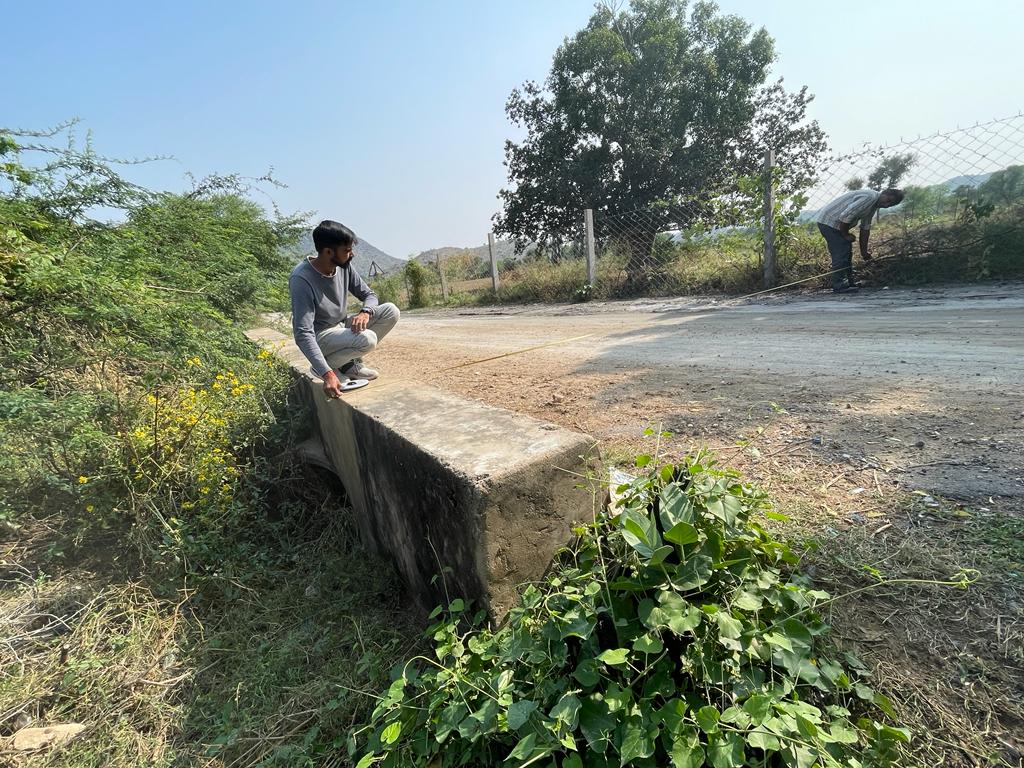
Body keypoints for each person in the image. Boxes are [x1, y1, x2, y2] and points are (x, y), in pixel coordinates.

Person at [289, 220, 400, 399]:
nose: (352, 254)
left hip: (341, 328)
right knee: (367, 339)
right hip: (321, 336)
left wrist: (366, 312)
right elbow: (303, 333)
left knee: (391, 311)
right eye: (347, 250)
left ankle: (348, 366)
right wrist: (326, 374)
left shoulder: (344, 266)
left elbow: (369, 295)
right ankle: (326, 367)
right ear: (328, 252)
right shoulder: (302, 278)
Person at [815, 188, 904, 292]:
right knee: (841, 251)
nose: (886, 205)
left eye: (890, 205)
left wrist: (864, 253)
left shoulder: (873, 205)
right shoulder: (869, 197)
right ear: (884, 193)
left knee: (847, 253)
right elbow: (845, 215)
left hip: (836, 225)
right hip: (829, 222)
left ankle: (849, 282)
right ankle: (839, 285)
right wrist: (845, 234)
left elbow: (865, 228)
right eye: (888, 200)